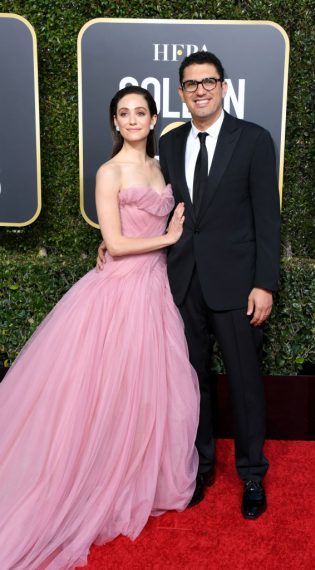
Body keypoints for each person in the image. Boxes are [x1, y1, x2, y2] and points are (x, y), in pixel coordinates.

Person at [0, 85, 199, 570]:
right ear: (115, 122)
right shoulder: (110, 172)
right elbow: (113, 239)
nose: (132, 120)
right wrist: (167, 235)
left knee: (150, 390)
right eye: (123, 113)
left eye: (140, 112)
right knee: (104, 390)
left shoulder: (162, 165)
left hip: (156, 290)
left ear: (154, 120)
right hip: (119, 291)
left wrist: (171, 238)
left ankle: (138, 478)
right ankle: (89, 481)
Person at [159, 51, 281, 519]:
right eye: (191, 84)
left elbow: (267, 219)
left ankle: (252, 473)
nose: (200, 90)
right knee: (193, 384)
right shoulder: (170, 145)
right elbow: (161, 210)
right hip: (185, 282)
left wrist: (264, 283)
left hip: (237, 285)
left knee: (245, 383)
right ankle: (200, 466)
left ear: (224, 87)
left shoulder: (253, 140)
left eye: (208, 81)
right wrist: (115, 243)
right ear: (181, 93)